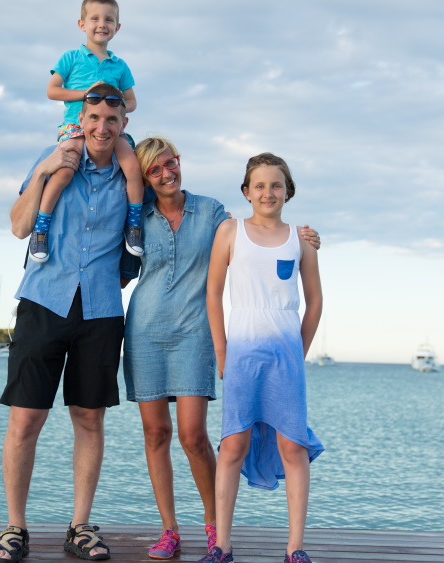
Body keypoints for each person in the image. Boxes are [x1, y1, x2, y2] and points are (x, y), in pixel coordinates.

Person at [123, 139, 322, 560]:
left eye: (170, 163)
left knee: (195, 436)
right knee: (156, 433)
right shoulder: (136, 215)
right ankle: (170, 530)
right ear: (144, 177)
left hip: (196, 335)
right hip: (146, 331)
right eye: (154, 170)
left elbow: (258, 241)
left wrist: (303, 236)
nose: (166, 173)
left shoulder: (213, 212)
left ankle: (216, 532)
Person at [0, 82, 134, 563]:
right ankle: (15, 528)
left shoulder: (131, 178)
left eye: (111, 120)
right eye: (94, 118)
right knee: (25, 419)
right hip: (43, 301)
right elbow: (18, 225)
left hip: (100, 311)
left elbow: (170, 217)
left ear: (122, 126)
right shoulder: (53, 158)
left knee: (89, 418)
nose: (101, 127)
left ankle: (80, 526)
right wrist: (45, 171)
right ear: (82, 119)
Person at [200, 153, 325, 563]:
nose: (268, 192)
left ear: (288, 191)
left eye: (276, 185)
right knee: (233, 444)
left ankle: (295, 548)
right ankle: (222, 546)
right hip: (242, 353)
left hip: (285, 355)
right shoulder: (230, 232)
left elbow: (315, 301)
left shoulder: (301, 239)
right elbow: (213, 294)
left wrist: (298, 351)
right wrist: (222, 350)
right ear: (246, 191)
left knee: (293, 446)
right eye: (259, 185)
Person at [28, 0, 144, 264]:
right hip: (76, 126)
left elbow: (133, 102)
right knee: (65, 171)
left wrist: (113, 101)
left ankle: (134, 226)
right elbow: (52, 90)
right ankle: (41, 229)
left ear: (117, 27)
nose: (101, 24)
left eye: (108, 20)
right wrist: (88, 94)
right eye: (94, 19)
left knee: (132, 167)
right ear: (82, 24)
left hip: (109, 130)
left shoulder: (120, 65)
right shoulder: (71, 58)